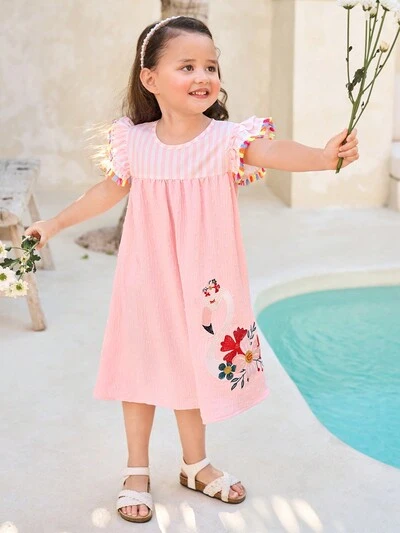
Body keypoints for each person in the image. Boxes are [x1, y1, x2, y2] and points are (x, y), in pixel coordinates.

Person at [24, 15, 359, 524]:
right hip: (146, 278)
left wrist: (322, 156)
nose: (203, 76)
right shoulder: (135, 142)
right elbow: (106, 191)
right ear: (150, 78)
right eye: (187, 66)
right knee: (138, 370)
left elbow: (274, 151)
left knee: (194, 365)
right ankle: (136, 470)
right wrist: (53, 223)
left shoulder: (226, 140)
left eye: (211, 66)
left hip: (205, 285)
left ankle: (195, 464)